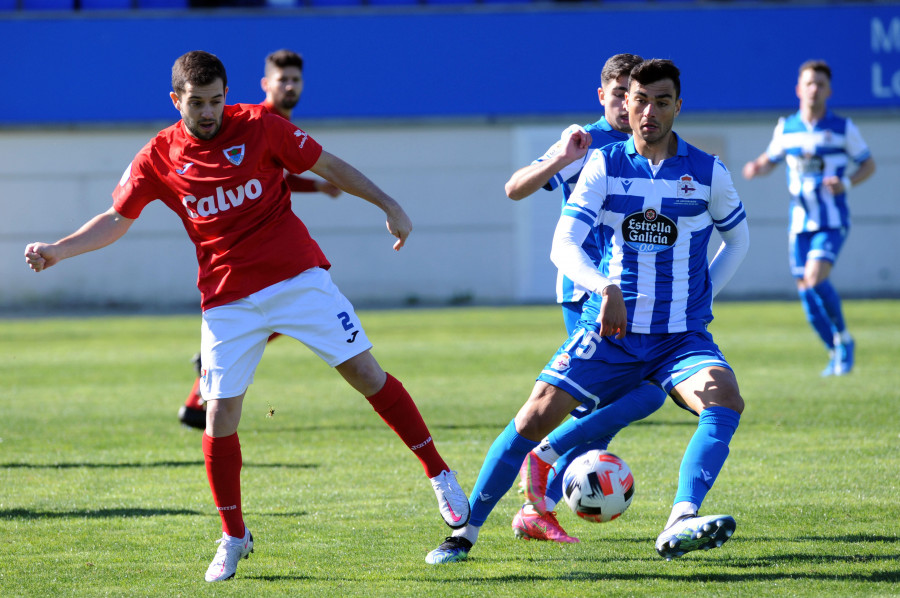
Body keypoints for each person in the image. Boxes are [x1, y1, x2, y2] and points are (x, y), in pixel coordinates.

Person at [24, 50, 470, 582]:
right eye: (198, 103)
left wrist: (388, 204)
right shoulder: (158, 155)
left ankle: (439, 473)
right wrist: (59, 249)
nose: (210, 111)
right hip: (227, 301)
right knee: (218, 417)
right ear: (176, 101)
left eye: (216, 100)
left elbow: (327, 164)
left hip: (298, 279)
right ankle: (234, 536)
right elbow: (118, 217)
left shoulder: (261, 125)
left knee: (366, 374)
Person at [426, 58, 750, 565]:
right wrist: (604, 287)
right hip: (610, 326)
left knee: (724, 398)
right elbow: (563, 243)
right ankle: (463, 534)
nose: (647, 111)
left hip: (678, 337)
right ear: (623, 101)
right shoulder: (603, 162)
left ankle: (680, 518)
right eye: (638, 100)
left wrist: (703, 298)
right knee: (534, 414)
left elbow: (738, 239)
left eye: (660, 102)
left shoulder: (708, 172)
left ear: (677, 107)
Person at [503, 53, 667, 544]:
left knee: (616, 400)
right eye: (618, 94)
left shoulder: (651, 145)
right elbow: (514, 189)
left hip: (637, 297)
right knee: (606, 397)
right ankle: (541, 493)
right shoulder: (585, 142)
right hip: (586, 291)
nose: (627, 105)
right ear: (603, 96)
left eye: (634, 95)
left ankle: (543, 493)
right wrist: (561, 158)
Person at [178, 49, 341, 429]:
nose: (290, 86)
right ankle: (198, 395)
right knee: (280, 312)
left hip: (268, 248)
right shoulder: (258, 121)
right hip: (241, 254)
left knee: (278, 316)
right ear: (265, 84)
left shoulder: (279, 121)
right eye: (282, 79)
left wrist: (316, 186)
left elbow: (277, 177)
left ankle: (192, 405)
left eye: (296, 80)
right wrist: (318, 186)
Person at [742, 59, 875, 377]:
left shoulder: (843, 128)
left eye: (820, 83)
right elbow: (771, 157)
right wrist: (756, 167)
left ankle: (844, 339)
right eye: (809, 83)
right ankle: (834, 349)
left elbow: (868, 165)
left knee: (816, 278)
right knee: (805, 292)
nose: (814, 88)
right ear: (798, 89)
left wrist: (845, 183)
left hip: (831, 219)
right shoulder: (786, 128)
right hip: (799, 222)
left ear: (829, 90)